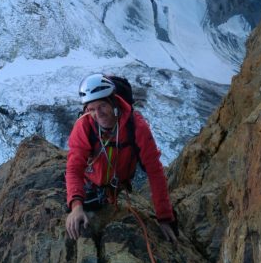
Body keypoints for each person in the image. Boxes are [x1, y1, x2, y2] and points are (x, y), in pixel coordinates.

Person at [65, 73, 178, 242]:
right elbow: (74, 168)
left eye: (102, 106)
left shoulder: (136, 126)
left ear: (113, 102)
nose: (98, 114)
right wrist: (76, 206)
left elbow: (154, 171)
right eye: (92, 109)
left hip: (117, 186)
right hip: (91, 183)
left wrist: (164, 216)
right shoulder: (84, 126)